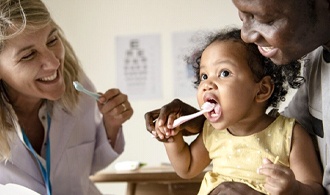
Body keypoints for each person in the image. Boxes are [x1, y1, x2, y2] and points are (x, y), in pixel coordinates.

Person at [145, 0, 330, 194]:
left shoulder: (290, 135)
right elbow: (187, 167)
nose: (207, 84)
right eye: (204, 76)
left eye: (224, 73)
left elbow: (315, 189)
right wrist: (172, 139)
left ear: (261, 90)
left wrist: (294, 189)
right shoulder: (213, 132)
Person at [0, 0, 133, 195]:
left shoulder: (79, 88)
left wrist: (111, 124)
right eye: (29, 55)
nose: (53, 63)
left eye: (52, 40)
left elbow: (90, 165)